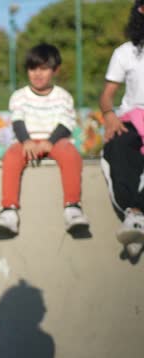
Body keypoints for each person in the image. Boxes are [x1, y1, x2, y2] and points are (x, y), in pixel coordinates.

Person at [0, 43, 89, 236]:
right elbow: (18, 120)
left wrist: (50, 142)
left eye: (44, 68)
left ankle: (73, 207)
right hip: (26, 140)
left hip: (55, 141)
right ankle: (8, 211)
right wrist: (26, 141)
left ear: (55, 70)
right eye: (33, 68)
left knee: (70, 154)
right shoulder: (19, 96)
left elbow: (65, 123)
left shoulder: (63, 96)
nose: (37, 73)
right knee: (11, 155)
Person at [100, 0, 144, 256]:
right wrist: (109, 115)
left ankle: (138, 218)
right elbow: (107, 95)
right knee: (117, 144)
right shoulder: (125, 52)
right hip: (133, 119)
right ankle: (133, 213)